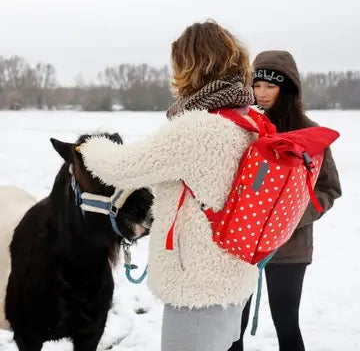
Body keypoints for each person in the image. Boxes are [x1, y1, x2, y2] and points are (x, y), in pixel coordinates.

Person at [78, 21, 260, 351]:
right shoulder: (247, 121)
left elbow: (123, 167)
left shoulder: (197, 129)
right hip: (234, 281)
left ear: (192, 65)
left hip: (198, 290)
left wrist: (87, 148)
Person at [228, 50, 342, 351]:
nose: (262, 93)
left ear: (287, 88)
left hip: (292, 247)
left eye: (271, 86)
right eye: (257, 85)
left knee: (287, 320)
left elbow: (329, 188)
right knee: (231, 325)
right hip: (244, 243)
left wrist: (289, 216)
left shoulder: (310, 133)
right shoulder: (243, 127)